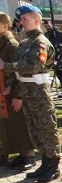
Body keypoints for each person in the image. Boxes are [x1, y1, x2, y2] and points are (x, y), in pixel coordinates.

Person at [0, 5, 61, 183]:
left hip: (39, 92)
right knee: (34, 130)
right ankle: (44, 163)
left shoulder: (41, 42)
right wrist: (11, 85)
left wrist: (6, 66)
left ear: (37, 20)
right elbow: (19, 72)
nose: (21, 22)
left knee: (46, 128)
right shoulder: (25, 43)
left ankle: (53, 164)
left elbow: (34, 65)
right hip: (26, 92)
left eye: (25, 19)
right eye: (20, 20)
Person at [0, 12, 36, 170]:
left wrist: (14, 91)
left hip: (13, 90)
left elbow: (20, 71)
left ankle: (29, 155)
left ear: (4, 26)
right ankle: (19, 154)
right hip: (3, 91)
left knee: (21, 122)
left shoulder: (12, 45)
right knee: (9, 124)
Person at [44, 19, 62, 102]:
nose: (48, 27)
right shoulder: (46, 35)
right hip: (52, 58)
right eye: (46, 26)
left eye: (49, 26)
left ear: (52, 25)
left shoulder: (60, 34)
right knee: (59, 76)